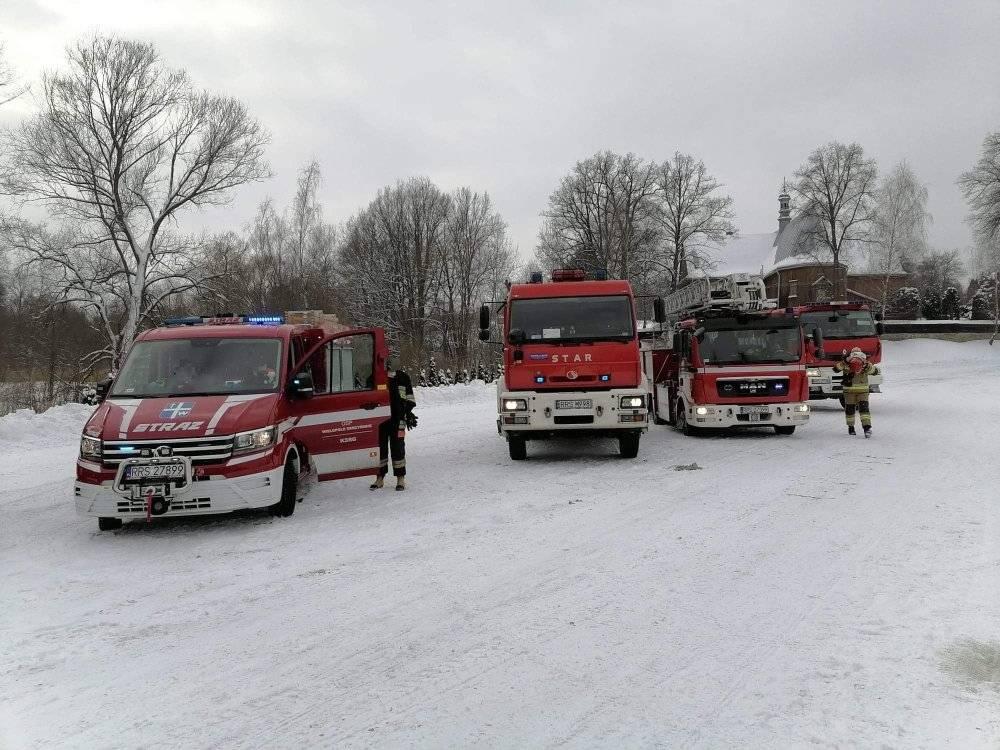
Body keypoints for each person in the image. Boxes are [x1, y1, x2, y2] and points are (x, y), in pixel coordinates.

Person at [371, 354, 417, 491]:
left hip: (398, 420)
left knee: (398, 449)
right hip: (380, 421)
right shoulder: (377, 377)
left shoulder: (403, 377)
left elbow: (410, 399)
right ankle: (379, 479)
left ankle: (400, 480)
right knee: (380, 450)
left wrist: (407, 413)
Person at [834, 347, 879, 437]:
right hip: (862, 391)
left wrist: (844, 362)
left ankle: (851, 428)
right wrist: (867, 366)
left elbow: (835, 369)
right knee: (864, 410)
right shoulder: (865, 363)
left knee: (850, 410)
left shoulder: (846, 363)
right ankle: (867, 428)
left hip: (849, 391)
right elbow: (875, 371)